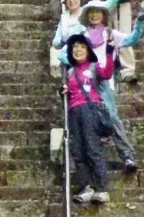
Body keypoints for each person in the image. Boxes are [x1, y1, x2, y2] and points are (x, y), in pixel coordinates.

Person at [59, 0, 144, 173]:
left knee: (111, 116)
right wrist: (80, 64)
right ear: (87, 16)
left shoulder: (110, 34)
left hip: (103, 80)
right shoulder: (83, 37)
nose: (95, 15)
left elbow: (131, 40)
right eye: (92, 12)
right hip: (85, 81)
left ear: (103, 15)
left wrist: (140, 22)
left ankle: (127, 155)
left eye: (98, 12)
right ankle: (89, 163)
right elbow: (63, 54)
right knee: (86, 121)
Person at [63, 33, 113, 204]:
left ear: (88, 50)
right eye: (75, 47)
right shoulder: (70, 72)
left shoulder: (92, 67)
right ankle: (86, 187)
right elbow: (69, 92)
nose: (77, 50)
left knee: (93, 148)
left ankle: (101, 188)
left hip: (90, 109)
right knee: (77, 150)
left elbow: (106, 73)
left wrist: (109, 52)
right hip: (74, 111)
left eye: (82, 47)